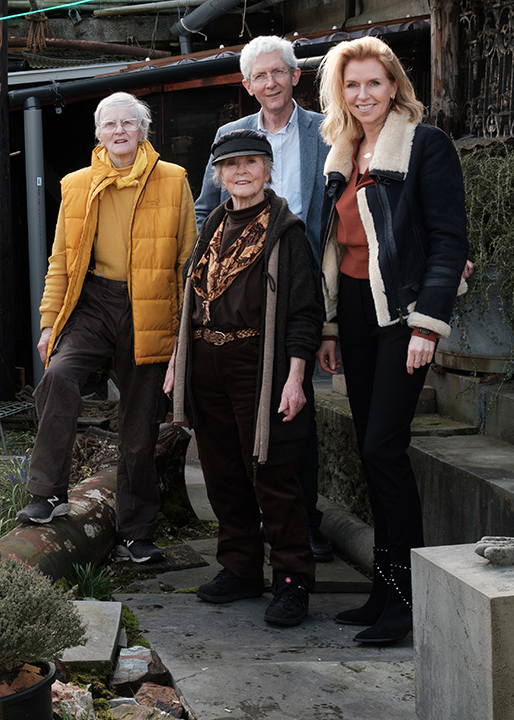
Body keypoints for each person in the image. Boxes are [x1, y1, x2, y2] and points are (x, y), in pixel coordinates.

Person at [313, 36, 470, 644]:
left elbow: (448, 238)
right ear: (340, 94)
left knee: (384, 448)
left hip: (402, 313)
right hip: (351, 311)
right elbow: (332, 248)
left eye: (373, 83)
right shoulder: (341, 152)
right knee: (369, 449)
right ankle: (382, 592)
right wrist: (328, 325)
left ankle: (406, 603)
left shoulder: (426, 145)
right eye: (351, 85)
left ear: (394, 85)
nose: (363, 94)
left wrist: (427, 324)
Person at [16, 92, 197, 566]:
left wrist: (181, 336)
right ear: (97, 133)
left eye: (129, 123)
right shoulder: (76, 184)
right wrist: (49, 322)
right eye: (110, 124)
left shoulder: (173, 180)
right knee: (58, 375)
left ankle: (135, 532)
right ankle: (48, 492)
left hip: (150, 305)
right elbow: (61, 261)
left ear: (144, 130)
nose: (120, 131)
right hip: (93, 303)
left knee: (140, 422)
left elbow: (187, 263)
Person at [169, 129, 323, 627]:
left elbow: (304, 313)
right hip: (208, 362)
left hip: (260, 365)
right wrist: (178, 360)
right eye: (231, 165)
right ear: (218, 175)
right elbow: (193, 300)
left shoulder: (287, 232)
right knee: (221, 470)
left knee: (272, 473)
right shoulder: (212, 225)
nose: (241, 172)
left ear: (268, 169)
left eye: (252, 163)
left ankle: (292, 581)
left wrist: (296, 377)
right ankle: (239, 568)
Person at [195, 34, 335, 563]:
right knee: (233, 425)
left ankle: (307, 524)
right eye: (260, 76)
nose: (271, 83)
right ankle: (247, 536)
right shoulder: (232, 136)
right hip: (241, 287)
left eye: (280, 72)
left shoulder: (325, 129)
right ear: (247, 84)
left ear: (295, 77)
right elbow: (205, 211)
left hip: (301, 274)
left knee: (293, 410)